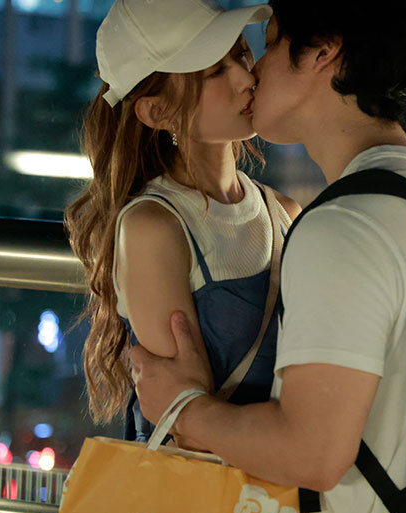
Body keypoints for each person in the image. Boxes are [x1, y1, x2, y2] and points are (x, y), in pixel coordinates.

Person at [128, 1, 406, 513]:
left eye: (270, 42)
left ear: (323, 53)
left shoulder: (343, 228)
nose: (253, 71)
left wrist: (182, 408)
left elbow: (312, 455)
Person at [65, 0, 300, 441]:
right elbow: (183, 423)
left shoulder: (285, 212)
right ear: (157, 112)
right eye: (213, 72)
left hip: (280, 474)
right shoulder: (153, 227)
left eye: (240, 54)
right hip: (202, 480)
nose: (245, 77)